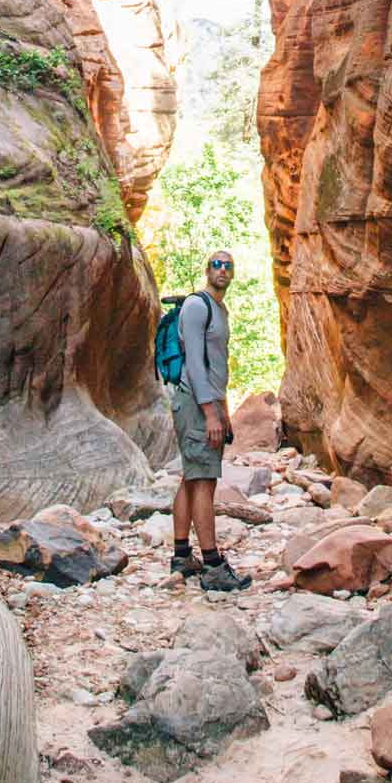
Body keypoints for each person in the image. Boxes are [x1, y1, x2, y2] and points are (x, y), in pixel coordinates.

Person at [168, 248, 251, 591]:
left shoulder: (220, 309)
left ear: (232, 274)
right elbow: (195, 366)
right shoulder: (195, 306)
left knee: (192, 477)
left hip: (207, 402)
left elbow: (218, 364)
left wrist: (225, 412)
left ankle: (182, 555)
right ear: (207, 270)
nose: (222, 269)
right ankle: (213, 566)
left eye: (228, 266)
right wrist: (208, 412)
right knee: (204, 480)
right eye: (217, 264)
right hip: (194, 403)